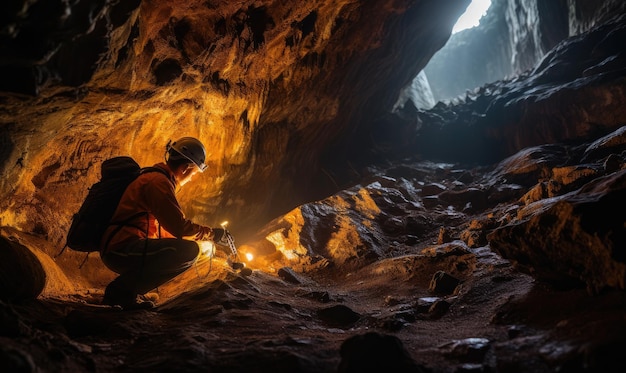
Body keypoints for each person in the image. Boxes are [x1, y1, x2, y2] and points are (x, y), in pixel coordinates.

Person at [99, 137, 226, 310]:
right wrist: (211, 233)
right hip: (122, 248)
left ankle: (127, 293)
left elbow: (169, 230)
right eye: (195, 173)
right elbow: (179, 227)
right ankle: (120, 291)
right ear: (186, 168)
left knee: (188, 247)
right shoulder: (158, 182)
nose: (192, 178)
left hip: (123, 246)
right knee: (188, 251)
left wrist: (196, 237)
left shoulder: (157, 179)